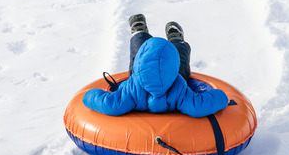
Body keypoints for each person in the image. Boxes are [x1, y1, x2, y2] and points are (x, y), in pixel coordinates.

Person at [82, 14, 229, 117]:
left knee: (140, 54)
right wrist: (222, 96)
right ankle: (177, 40)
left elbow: (110, 104)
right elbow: (199, 106)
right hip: (171, 78)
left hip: (141, 78)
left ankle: (139, 32)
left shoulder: (132, 88)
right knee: (180, 65)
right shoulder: (179, 87)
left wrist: (89, 94)